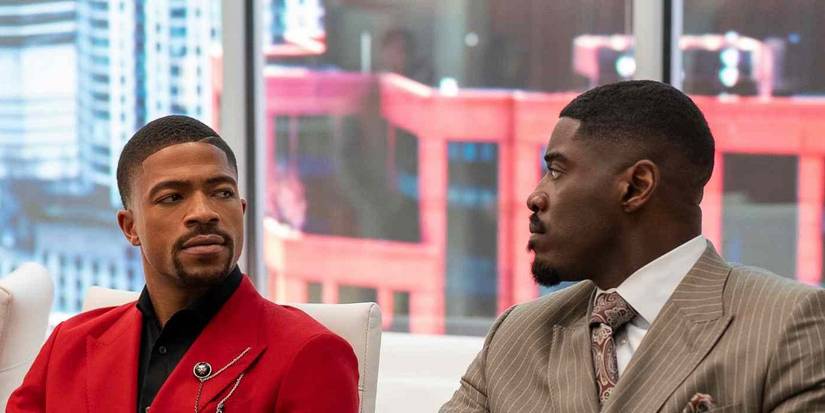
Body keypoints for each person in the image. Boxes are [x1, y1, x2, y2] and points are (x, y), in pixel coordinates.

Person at [441, 80, 825, 412]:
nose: (536, 197)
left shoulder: (787, 323)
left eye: (557, 171)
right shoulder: (516, 336)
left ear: (637, 186)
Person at [9, 115, 359, 412]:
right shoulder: (70, 344)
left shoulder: (310, 353)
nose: (204, 213)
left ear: (241, 210)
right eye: (172, 197)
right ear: (130, 227)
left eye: (221, 192)